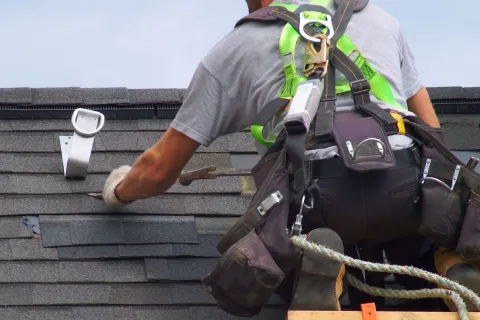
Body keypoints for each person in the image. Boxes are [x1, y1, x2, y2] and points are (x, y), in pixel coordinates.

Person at [100, 0, 480, 312]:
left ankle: (317, 267)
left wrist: (118, 191)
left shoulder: (238, 47)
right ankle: (449, 261)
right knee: (433, 205)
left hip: (318, 201)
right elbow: (434, 137)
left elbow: (159, 168)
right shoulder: (380, 20)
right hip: (409, 193)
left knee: (290, 228)